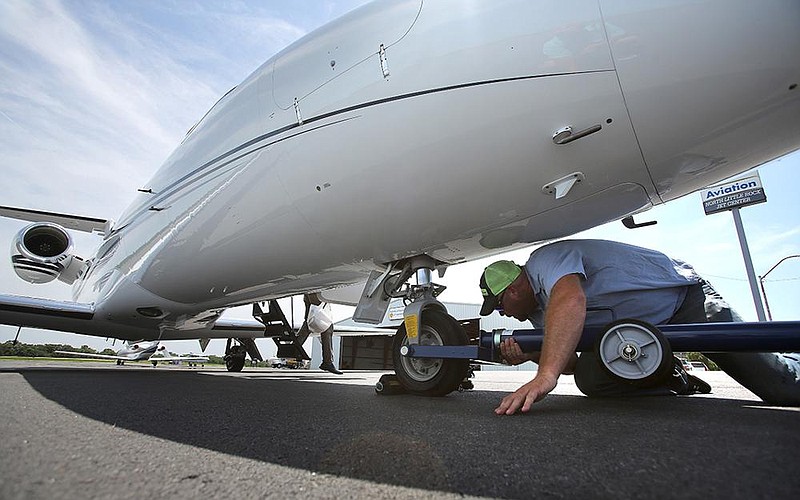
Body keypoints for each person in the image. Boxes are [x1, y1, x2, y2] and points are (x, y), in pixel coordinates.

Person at [479, 239, 800, 415]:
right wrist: (537, 354)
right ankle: (674, 376)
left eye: (500, 306)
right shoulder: (537, 315)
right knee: (590, 377)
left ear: (513, 289)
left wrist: (543, 377)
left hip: (683, 304)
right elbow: (573, 363)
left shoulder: (546, 261)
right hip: (638, 341)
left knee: (782, 387)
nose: (503, 315)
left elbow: (570, 299)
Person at [300, 293, 342, 375]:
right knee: (325, 325)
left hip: (309, 290)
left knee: (310, 321)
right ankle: (327, 362)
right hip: (316, 290)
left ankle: (295, 348)